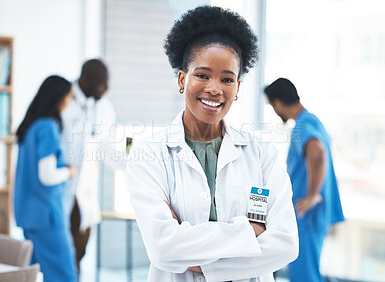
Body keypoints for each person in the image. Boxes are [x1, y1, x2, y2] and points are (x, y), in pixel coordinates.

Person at [126, 6, 298, 282]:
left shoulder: (262, 155)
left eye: (227, 79)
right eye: (203, 75)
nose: (215, 88)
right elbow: (163, 248)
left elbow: (286, 244)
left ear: (238, 88)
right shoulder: (148, 155)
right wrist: (249, 232)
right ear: (183, 79)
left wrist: (201, 262)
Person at [264, 78, 344, 282]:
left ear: (278, 103)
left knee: (304, 276)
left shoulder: (304, 124)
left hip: (307, 213)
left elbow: (318, 152)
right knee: (308, 272)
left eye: (273, 106)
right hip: (313, 215)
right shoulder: (312, 120)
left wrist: (311, 196)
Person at [14, 75, 78, 282]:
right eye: (69, 97)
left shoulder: (31, 127)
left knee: (34, 274)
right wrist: (69, 172)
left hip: (29, 215)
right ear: (58, 98)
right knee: (64, 275)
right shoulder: (47, 127)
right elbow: (47, 176)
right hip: (46, 216)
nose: (69, 103)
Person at [61, 59, 116, 272]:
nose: (107, 88)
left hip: (85, 194)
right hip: (63, 190)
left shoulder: (104, 107)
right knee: (62, 261)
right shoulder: (63, 100)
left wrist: (134, 170)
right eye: (103, 83)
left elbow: (106, 148)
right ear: (86, 80)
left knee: (78, 255)